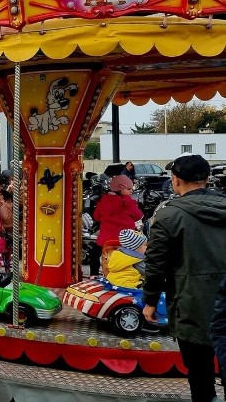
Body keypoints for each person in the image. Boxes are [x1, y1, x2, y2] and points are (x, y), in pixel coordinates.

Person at [143, 154, 226, 402]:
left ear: (176, 180)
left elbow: (156, 265)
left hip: (191, 305)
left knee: (200, 375)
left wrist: (150, 301)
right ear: (207, 179)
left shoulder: (168, 217)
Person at [91, 174, 142, 277]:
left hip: (106, 240)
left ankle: (94, 274)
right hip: (126, 240)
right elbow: (138, 216)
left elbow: (97, 216)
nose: (131, 191)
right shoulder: (128, 202)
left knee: (94, 253)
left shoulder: (103, 201)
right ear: (121, 188)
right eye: (129, 189)